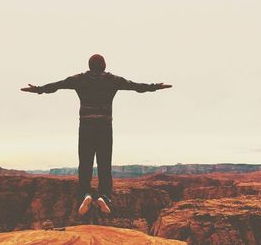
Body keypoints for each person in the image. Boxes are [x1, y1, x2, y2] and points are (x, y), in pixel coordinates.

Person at [21, 54, 171, 215]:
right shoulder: (113, 80)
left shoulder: (79, 79)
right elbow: (136, 87)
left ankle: (85, 194)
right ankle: (104, 197)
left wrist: (38, 89)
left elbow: (56, 86)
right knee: (104, 164)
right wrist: (155, 86)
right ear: (104, 65)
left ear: (89, 66)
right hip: (105, 127)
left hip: (86, 127)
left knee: (85, 164)